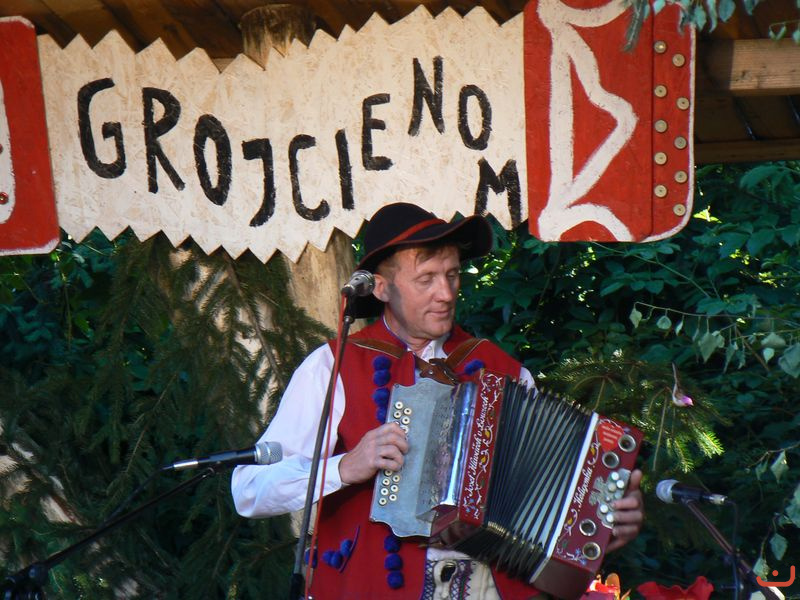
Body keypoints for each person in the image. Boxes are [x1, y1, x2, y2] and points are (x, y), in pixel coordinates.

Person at [231, 202, 644, 599]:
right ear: (381, 287)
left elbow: (549, 505)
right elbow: (248, 488)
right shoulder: (331, 366)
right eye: (426, 279)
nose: (445, 293)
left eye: (452, 274)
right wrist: (344, 467)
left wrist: (602, 522)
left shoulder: (506, 371)